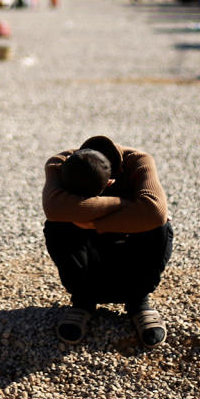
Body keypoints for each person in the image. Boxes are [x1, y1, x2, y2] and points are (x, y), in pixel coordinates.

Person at [42, 135, 173, 348]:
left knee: (160, 226)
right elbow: (54, 208)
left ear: (111, 182)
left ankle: (138, 301)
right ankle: (83, 300)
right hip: (89, 251)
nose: (87, 204)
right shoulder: (58, 163)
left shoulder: (139, 162)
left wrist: (90, 222)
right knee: (57, 224)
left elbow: (156, 213)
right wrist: (132, 206)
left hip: (130, 246)